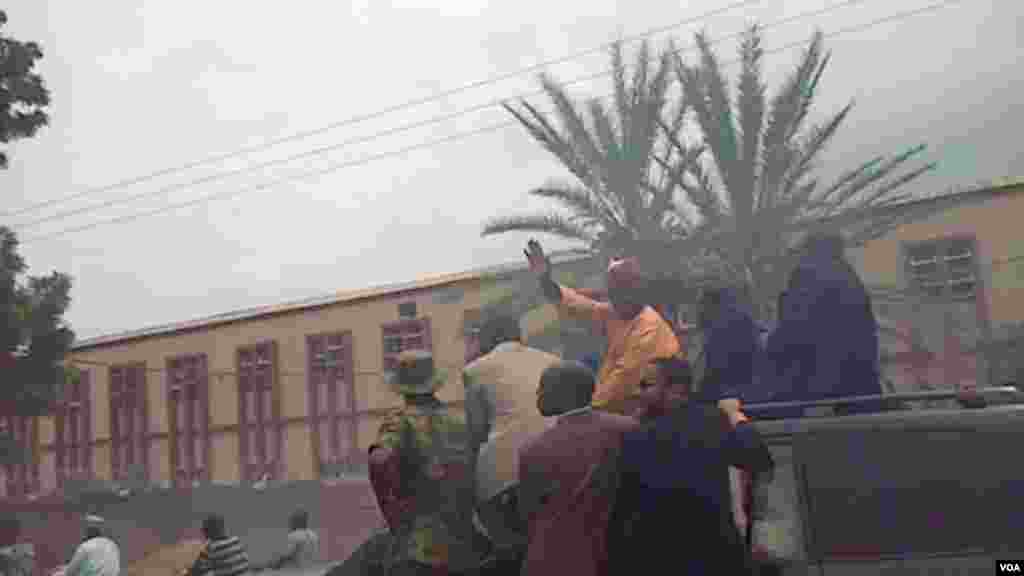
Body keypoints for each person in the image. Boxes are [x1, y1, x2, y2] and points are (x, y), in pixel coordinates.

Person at [607, 356, 775, 575]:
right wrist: (736, 416)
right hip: (717, 556)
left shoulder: (635, 436)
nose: (638, 393)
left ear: (675, 390)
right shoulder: (711, 420)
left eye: (646, 385)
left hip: (659, 560)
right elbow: (757, 458)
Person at [525, 239, 680, 415]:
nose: (616, 296)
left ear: (639, 289)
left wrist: (577, 415)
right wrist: (545, 280)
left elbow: (618, 387)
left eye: (623, 288)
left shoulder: (647, 331)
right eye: (613, 290)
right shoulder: (618, 312)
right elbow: (578, 305)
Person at [518, 361, 638, 576]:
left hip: (553, 557)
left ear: (562, 393)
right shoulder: (627, 428)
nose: (537, 393)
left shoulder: (534, 449)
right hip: (615, 551)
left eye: (543, 387)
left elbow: (528, 514)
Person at [368, 349, 482, 576]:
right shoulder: (458, 423)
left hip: (418, 547)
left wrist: (391, 511)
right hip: (461, 544)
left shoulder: (400, 421)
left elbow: (379, 460)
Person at [769, 232, 882, 413]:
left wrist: (770, 346)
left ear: (809, 250)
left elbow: (794, 330)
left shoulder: (807, 274)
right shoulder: (848, 276)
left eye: (799, 252)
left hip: (821, 388)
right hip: (859, 384)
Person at [462, 314, 560, 463]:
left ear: (485, 341)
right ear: (519, 336)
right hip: (554, 453)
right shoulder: (553, 361)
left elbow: (476, 431)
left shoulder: (475, 370)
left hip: (507, 462)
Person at [696, 286, 758, 416]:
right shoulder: (742, 322)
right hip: (748, 396)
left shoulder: (721, 331)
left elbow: (713, 375)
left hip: (729, 402)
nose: (698, 313)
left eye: (701, 306)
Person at [187, 514, 251, 576]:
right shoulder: (236, 540)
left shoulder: (211, 548)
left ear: (208, 531)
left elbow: (196, 570)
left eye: (204, 529)